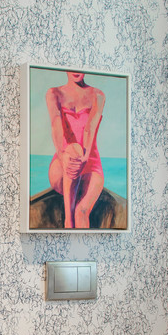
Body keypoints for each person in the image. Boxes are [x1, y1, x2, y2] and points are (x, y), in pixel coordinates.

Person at [46, 71, 105, 228]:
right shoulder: (54, 93)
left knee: (82, 212)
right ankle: (68, 219)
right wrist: (62, 154)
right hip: (64, 163)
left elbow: (90, 128)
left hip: (90, 164)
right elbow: (56, 123)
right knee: (74, 149)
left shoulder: (97, 95)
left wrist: (84, 157)